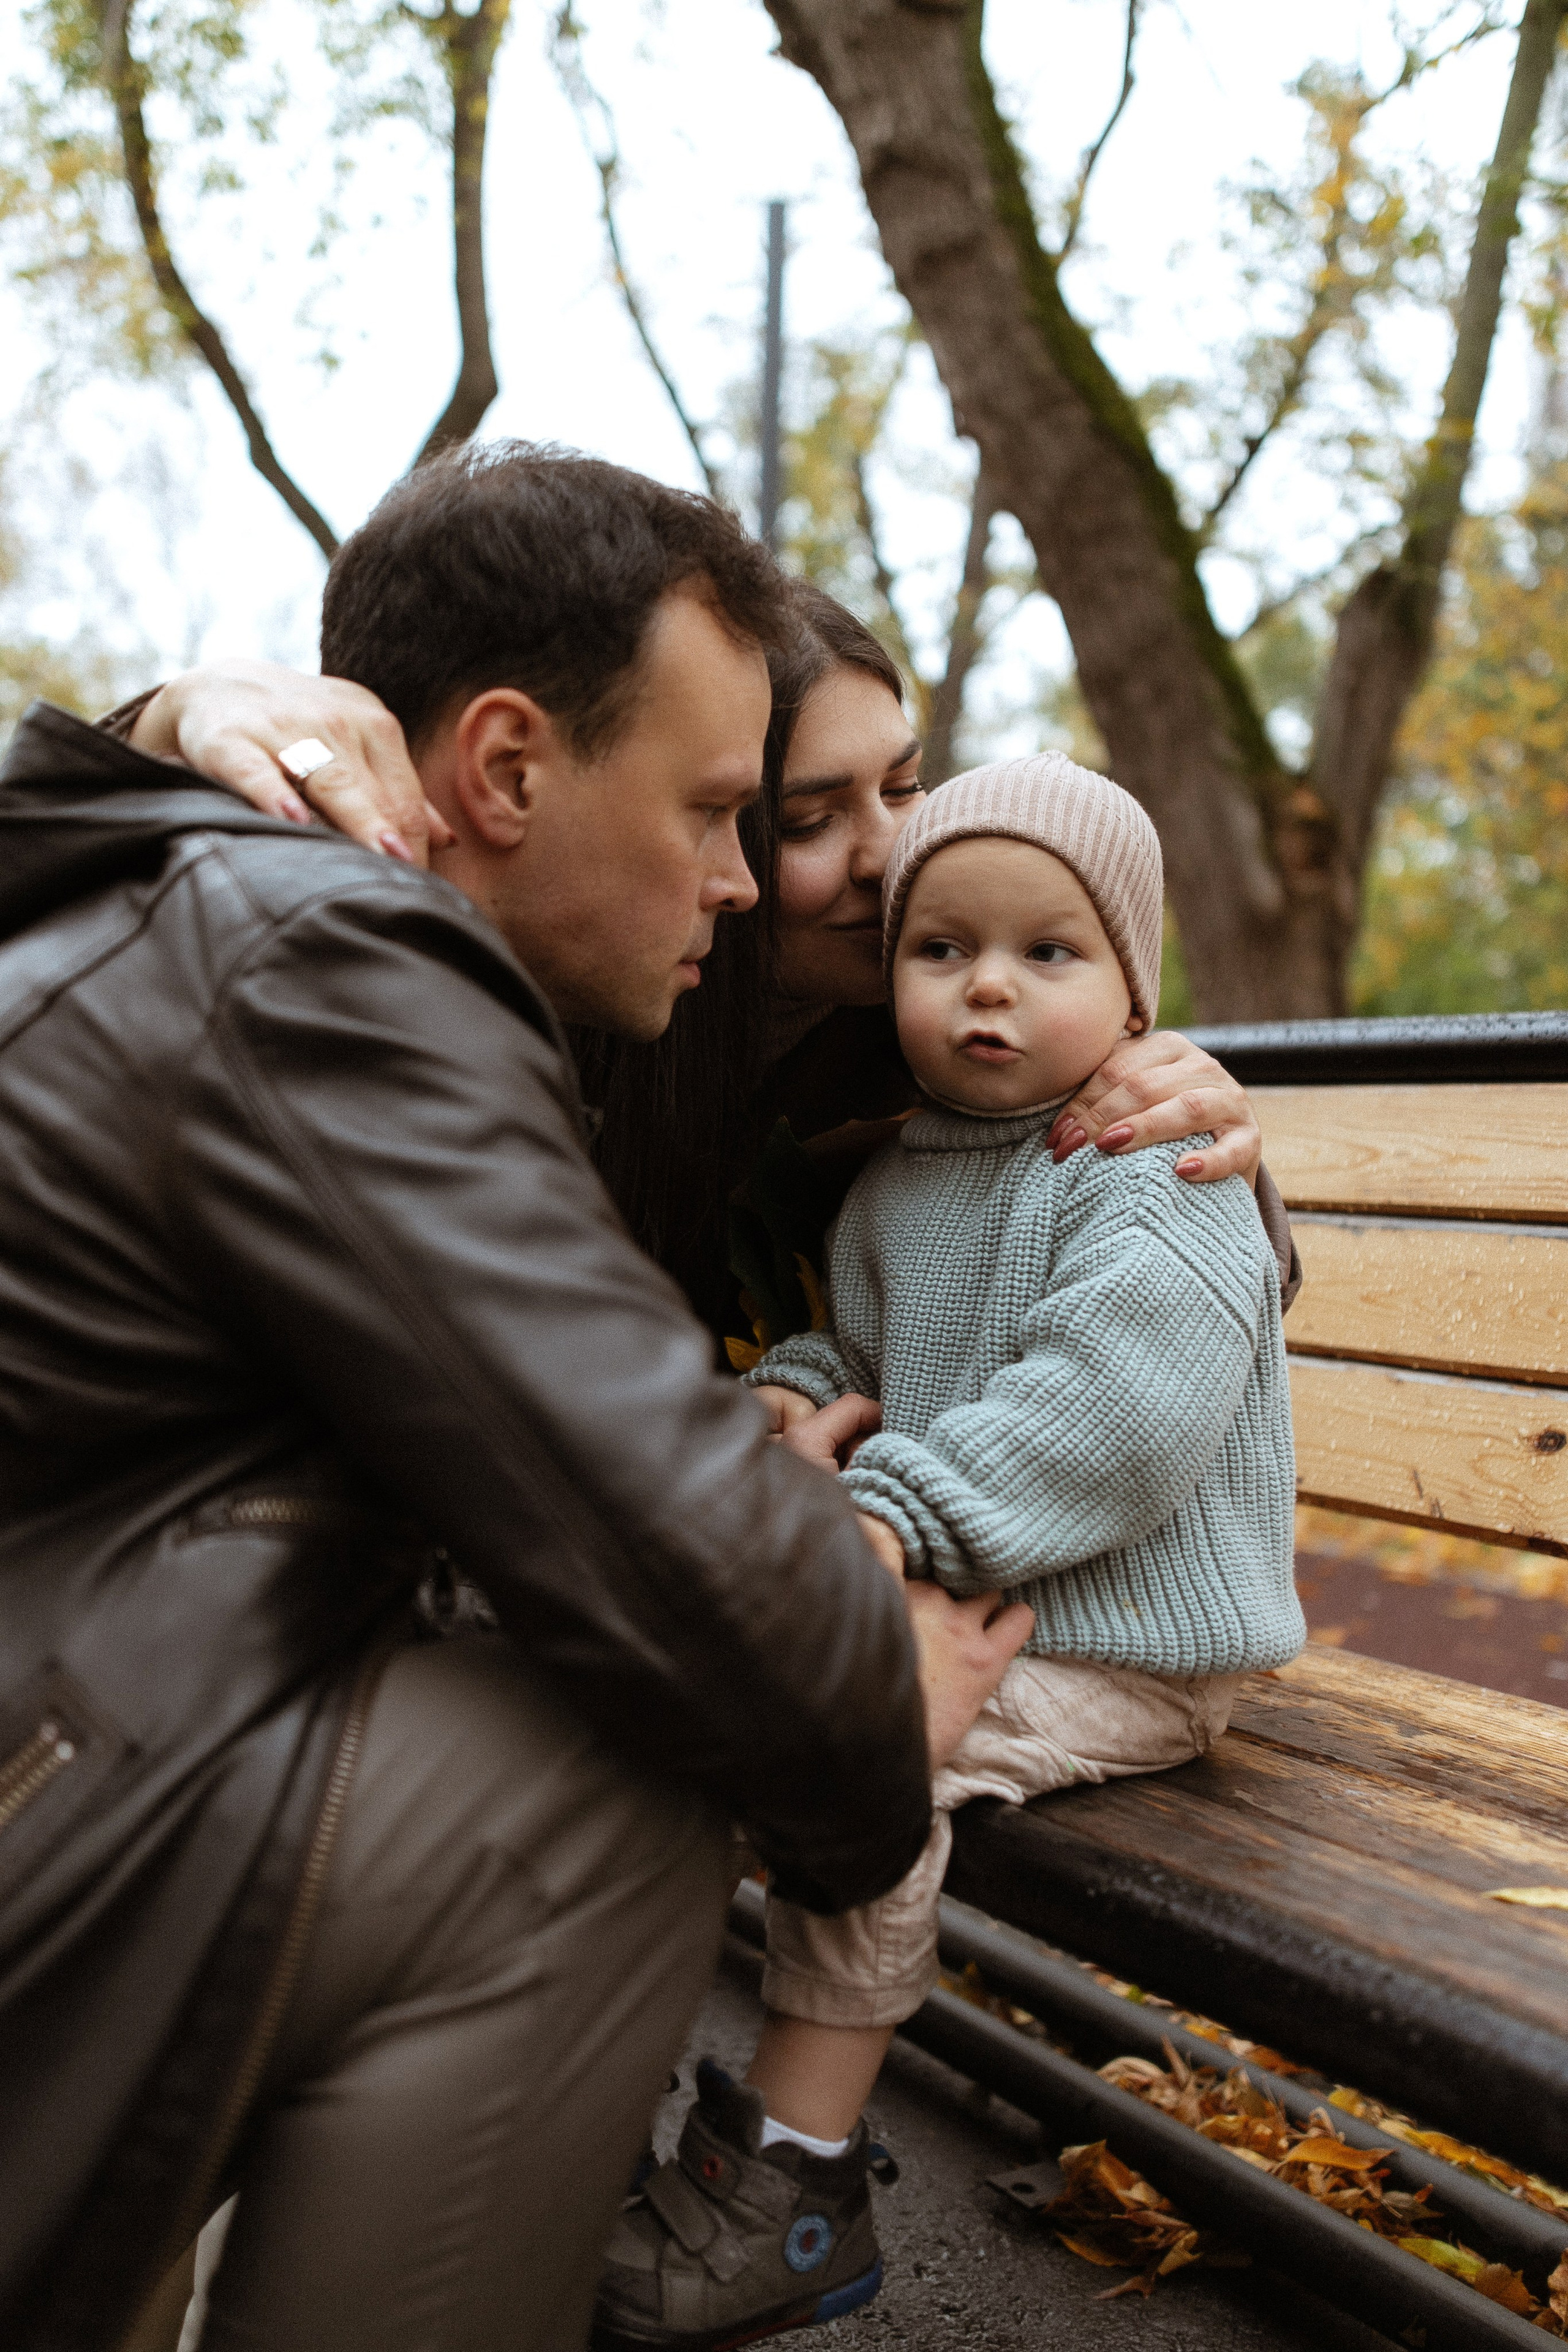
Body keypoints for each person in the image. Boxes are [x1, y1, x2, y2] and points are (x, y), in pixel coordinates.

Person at [0, 443, 1036, 2352]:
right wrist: (871, 1690)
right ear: (499, 768)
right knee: (576, 1792)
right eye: (729, 808)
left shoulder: (214, 895)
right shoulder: (346, 955)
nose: (745, 876)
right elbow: (706, 1583)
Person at [591, 754, 1303, 2351]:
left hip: (1130, 1635)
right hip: (985, 1587)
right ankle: (630, 2111)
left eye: (1047, 954)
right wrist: (792, 1403)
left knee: (867, 1752)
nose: (987, 988)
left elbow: (1118, 1416)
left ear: (1133, 987)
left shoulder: (1154, 1174)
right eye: (942, 951)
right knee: (705, 1705)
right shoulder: (901, 1176)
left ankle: (798, 2178)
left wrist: (890, 1513)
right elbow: (859, 1353)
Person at [121, 589, 1300, 1357]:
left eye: (902, 782)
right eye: (807, 819)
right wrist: (176, 712)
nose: (892, 854)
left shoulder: (963, 1018)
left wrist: (1198, 1128)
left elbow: (1219, 1294)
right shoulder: (587, 1016)